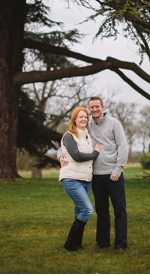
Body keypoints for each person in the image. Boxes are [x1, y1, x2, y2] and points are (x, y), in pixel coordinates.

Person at [59, 97, 129, 251]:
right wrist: (60, 156)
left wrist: (118, 169)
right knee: (101, 210)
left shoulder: (114, 123)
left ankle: (120, 244)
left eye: (97, 106)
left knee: (119, 210)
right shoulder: (87, 125)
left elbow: (123, 147)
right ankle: (102, 243)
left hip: (113, 174)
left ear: (103, 107)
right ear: (89, 109)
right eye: (92, 107)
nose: (95, 110)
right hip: (96, 176)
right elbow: (68, 140)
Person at [59, 106, 101, 251]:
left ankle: (76, 243)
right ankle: (69, 243)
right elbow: (76, 155)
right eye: (80, 117)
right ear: (74, 120)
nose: (83, 119)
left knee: (79, 211)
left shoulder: (87, 136)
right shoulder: (69, 135)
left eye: (85, 117)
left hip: (85, 179)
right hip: (71, 178)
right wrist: (95, 153)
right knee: (87, 210)